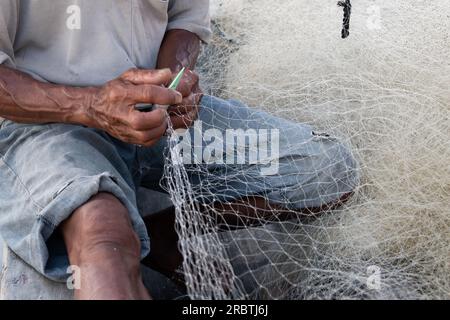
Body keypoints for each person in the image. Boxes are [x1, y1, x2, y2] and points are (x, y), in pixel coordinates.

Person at [0, 0, 358, 299]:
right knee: (103, 245)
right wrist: (93, 104)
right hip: (49, 127)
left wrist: (175, 80)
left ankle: (161, 234)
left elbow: (185, 21)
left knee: (325, 167)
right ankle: (122, 236)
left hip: (158, 114)